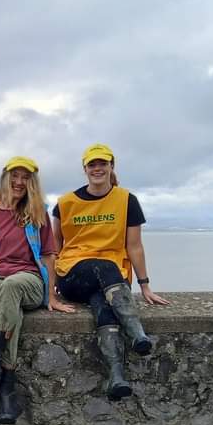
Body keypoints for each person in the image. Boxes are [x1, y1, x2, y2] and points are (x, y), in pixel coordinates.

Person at [0, 156, 75, 423]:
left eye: (26, 178)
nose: (19, 182)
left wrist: (52, 296)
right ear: (5, 177)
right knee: (12, 313)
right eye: (15, 176)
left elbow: (48, 256)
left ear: (31, 183)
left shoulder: (37, 212)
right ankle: (7, 389)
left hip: (29, 280)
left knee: (12, 287)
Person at [52, 143, 169, 400]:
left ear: (111, 166)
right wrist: (50, 288)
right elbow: (54, 247)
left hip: (110, 282)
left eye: (102, 164)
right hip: (73, 274)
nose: (97, 169)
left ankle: (116, 376)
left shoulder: (126, 200)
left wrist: (145, 285)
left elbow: (134, 246)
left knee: (103, 307)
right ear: (85, 169)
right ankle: (136, 332)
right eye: (92, 164)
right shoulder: (65, 203)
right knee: (104, 265)